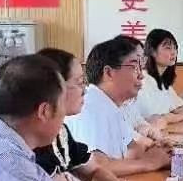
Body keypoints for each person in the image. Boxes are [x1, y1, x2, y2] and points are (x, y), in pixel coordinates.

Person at [35, 48, 149, 181]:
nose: (85, 90)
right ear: (55, 88)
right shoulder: (36, 139)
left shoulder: (60, 132)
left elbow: (93, 169)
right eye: (80, 82)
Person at [66, 36, 171, 173]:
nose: (141, 75)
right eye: (134, 67)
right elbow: (96, 166)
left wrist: (158, 150)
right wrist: (150, 163)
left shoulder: (111, 106)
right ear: (109, 73)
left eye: (140, 68)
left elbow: (132, 148)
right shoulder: (91, 107)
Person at [124, 29, 183, 127]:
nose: (173, 52)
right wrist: (177, 116)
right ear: (152, 51)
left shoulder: (162, 82)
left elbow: (182, 108)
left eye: (175, 48)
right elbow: (156, 118)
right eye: (168, 48)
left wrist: (179, 112)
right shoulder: (142, 80)